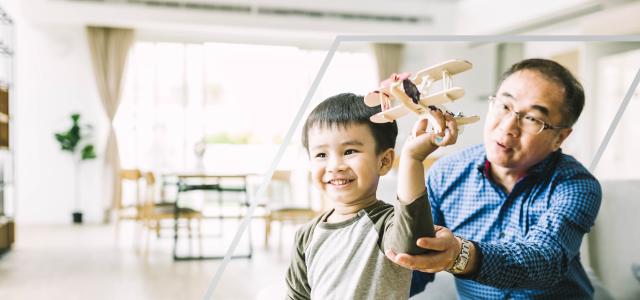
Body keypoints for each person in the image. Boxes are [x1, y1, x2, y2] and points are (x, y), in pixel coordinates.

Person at [386, 58, 602, 299]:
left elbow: (545, 260)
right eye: (504, 106)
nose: (508, 126)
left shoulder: (577, 185)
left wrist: (461, 254)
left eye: (532, 118)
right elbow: (418, 264)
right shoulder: (447, 173)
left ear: (560, 138)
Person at [285, 92, 459, 299]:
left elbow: (412, 244)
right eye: (321, 155)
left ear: (384, 161)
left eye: (349, 151)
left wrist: (412, 158)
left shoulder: (386, 224)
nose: (334, 166)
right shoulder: (306, 236)